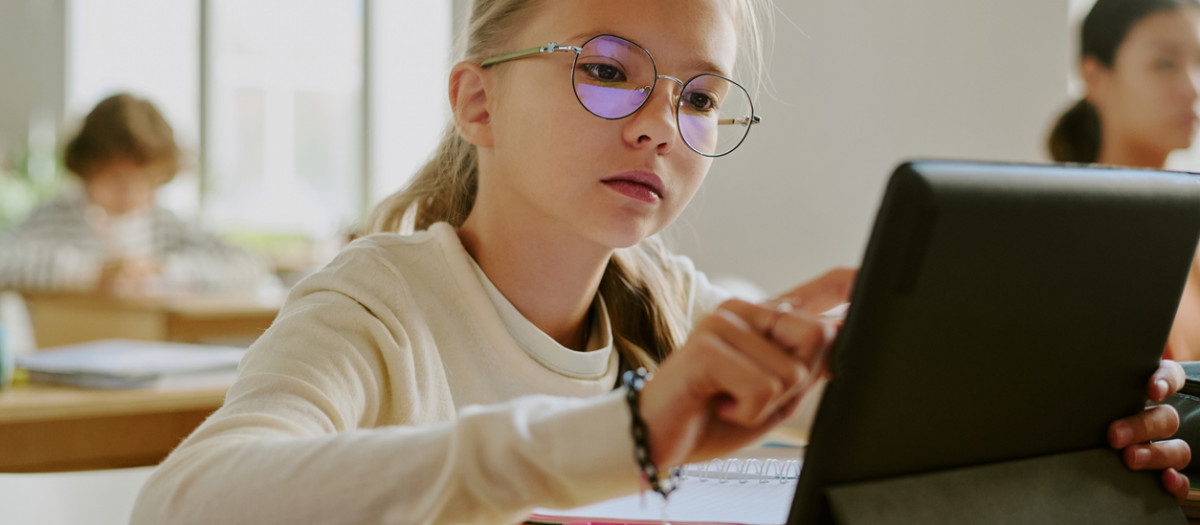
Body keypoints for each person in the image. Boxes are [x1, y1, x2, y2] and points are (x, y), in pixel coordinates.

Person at [133, 1, 1190, 523]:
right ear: (477, 101)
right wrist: (627, 434)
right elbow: (185, 502)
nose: (657, 126)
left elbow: (914, 423)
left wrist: (1092, 419)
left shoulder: (669, 302)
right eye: (605, 71)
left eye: (698, 97)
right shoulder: (378, 304)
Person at [1048, 0, 1200, 361]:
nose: (1193, 88)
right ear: (1094, 76)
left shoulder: (1189, 231)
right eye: (1165, 64)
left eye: (1199, 63)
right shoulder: (1069, 241)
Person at [0, 93, 268, 296]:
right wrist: (93, 271)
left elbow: (248, 264)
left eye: (146, 180)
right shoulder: (54, 219)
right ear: (87, 169)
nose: (130, 192)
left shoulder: (167, 226)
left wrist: (162, 269)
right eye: (115, 178)